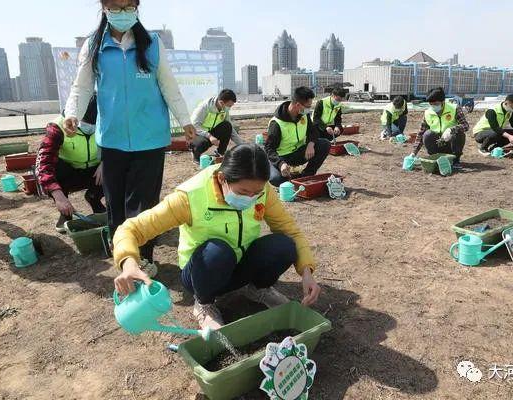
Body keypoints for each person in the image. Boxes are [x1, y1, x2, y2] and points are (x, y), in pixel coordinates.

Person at [112, 144, 321, 329]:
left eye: (255, 193)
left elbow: (289, 229)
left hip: (239, 264)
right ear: (222, 178)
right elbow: (131, 229)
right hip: (202, 272)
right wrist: (129, 263)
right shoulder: (189, 196)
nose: (251, 198)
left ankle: (258, 289)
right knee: (218, 251)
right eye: (243, 191)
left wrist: (306, 271)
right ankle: (204, 304)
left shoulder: (261, 189)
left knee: (283, 245)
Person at [63, 0, 197, 266]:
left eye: (128, 7)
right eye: (116, 7)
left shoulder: (152, 44)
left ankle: (144, 259)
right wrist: (72, 114)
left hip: (150, 140)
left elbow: (168, 85)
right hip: (112, 140)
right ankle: (125, 261)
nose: (122, 13)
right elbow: (82, 86)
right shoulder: (94, 45)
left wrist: (185, 121)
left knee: (144, 207)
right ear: (104, 7)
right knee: (116, 206)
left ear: (137, 7)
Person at [37, 95, 105, 233]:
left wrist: (106, 163)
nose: (90, 128)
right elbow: (43, 164)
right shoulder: (57, 128)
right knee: (54, 169)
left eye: (95, 124)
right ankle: (65, 213)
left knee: (119, 166)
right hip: (69, 173)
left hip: (95, 171)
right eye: (85, 124)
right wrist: (58, 195)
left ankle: (94, 197)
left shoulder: (107, 122)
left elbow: (119, 147)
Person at [265, 87, 331, 187]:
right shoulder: (276, 123)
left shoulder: (304, 115)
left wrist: (310, 144)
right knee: (276, 179)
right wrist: (280, 164)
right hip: (282, 157)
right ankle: (275, 169)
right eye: (308, 106)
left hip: (299, 152)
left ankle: (306, 175)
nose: (309, 109)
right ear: (298, 105)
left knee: (324, 144)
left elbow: (313, 131)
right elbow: (269, 148)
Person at [411, 87, 469, 169]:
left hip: (451, 145)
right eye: (431, 104)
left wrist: (452, 129)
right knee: (427, 134)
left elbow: (465, 126)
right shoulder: (428, 113)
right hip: (436, 146)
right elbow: (421, 133)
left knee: (459, 132)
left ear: (443, 102)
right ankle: (435, 158)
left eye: (436, 104)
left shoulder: (454, 108)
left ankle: (455, 160)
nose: (433, 106)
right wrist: (413, 153)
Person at [190, 89, 244, 163]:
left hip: (210, 132)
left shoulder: (224, 109)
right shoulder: (204, 107)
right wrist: (209, 136)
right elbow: (194, 126)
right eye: (229, 106)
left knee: (227, 126)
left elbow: (231, 129)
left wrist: (242, 145)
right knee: (201, 143)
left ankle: (220, 153)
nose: (229, 108)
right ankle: (195, 156)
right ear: (221, 102)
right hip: (198, 133)